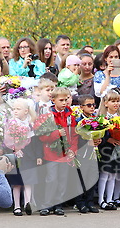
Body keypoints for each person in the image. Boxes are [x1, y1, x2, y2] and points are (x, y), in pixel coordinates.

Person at [37, 87, 78, 216]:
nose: (64, 102)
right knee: (51, 179)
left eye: (66, 99)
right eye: (61, 100)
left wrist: (73, 150)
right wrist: (56, 134)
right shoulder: (48, 115)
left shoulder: (70, 116)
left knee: (62, 179)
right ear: (53, 100)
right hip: (52, 153)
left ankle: (58, 204)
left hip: (65, 153)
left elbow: (75, 135)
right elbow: (42, 135)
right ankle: (47, 204)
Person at [4, 98, 39, 216]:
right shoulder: (11, 123)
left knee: (28, 181)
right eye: (13, 109)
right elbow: (7, 140)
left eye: (18, 109)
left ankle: (28, 204)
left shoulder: (30, 125)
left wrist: (38, 156)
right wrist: (14, 148)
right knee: (17, 182)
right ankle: (17, 206)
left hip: (28, 156)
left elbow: (36, 142)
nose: (15, 111)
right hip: (15, 155)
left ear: (26, 111)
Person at [96, 89, 120, 210]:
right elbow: (98, 133)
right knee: (105, 174)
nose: (116, 104)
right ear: (105, 103)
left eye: (117, 101)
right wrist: (108, 139)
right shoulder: (102, 117)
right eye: (112, 101)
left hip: (117, 149)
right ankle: (101, 200)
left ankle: (110, 199)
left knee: (113, 175)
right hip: (106, 149)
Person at [74, 95, 100, 213]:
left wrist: (99, 140)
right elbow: (75, 137)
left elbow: (103, 132)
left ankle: (90, 201)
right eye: (89, 105)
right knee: (81, 178)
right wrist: (87, 141)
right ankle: (80, 203)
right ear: (81, 107)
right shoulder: (78, 121)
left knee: (92, 176)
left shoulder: (97, 119)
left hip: (94, 152)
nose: (92, 107)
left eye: (93, 105)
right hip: (82, 152)